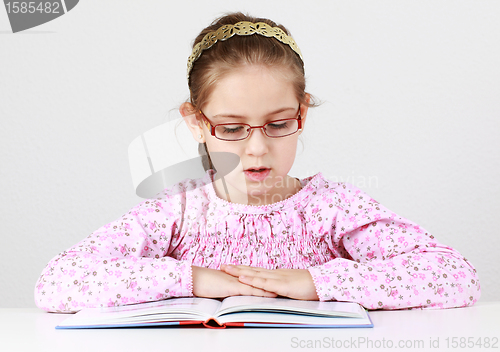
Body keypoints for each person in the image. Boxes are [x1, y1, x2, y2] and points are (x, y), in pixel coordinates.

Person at [34, 12, 480, 313]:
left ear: (302, 113)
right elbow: (57, 282)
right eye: (230, 128)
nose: (256, 149)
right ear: (195, 122)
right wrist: (195, 279)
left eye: (278, 123)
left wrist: (317, 283)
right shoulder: (177, 211)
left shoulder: (331, 209)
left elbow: (456, 275)